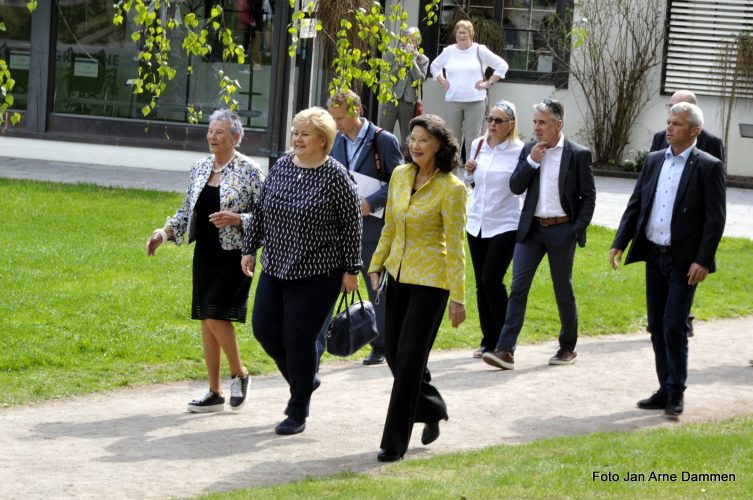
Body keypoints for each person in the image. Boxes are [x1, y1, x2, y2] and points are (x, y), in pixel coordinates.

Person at [241, 107, 362, 435]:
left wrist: (351, 270)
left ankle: (297, 411)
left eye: (305, 134)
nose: (297, 138)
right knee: (264, 329)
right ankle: (305, 380)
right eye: (295, 132)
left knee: (298, 339)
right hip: (277, 266)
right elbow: (261, 210)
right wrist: (249, 248)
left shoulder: (336, 176)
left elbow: (352, 226)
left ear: (323, 140)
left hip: (318, 272)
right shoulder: (281, 166)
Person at [610, 102, 726, 418]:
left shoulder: (707, 166)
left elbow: (715, 220)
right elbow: (637, 204)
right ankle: (664, 387)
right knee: (656, 326)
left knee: (674, 325)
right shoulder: (653, 161)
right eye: (669, 122)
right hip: (654, 255)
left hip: (685, 262)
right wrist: (619, 242)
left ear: (694, 130)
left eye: (676, 123)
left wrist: (703, 260)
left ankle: (677, 392)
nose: (669, 128)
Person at [146, 109, 264, 413]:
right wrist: (163, 234)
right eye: (210, 131)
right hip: (206, 254)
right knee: (207, 320)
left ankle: (240, 373)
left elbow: (268, 216)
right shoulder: (199, 167)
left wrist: (237, 218)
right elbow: (187, 211)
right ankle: (214, 391)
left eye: (220, 132)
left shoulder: (250, 171)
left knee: (215, 316)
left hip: (236, 255)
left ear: (235, 136)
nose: (213, 136)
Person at [368, 114, 467, 462]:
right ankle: (432, 406)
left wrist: (458, 296)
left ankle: (394, 442)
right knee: (395, 354)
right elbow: (390, 226)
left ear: (438, 145)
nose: (414, 145)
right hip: (398, 276)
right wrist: (376, 264)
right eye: (411, 138)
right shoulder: (399, 175)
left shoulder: (452, 188)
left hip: (432, 283)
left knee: (409, 361)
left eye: (422, 139)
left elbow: (455, 245)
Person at [482, 98, 595, 370]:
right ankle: (505, 350)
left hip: (562, 230)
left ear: (559, 124)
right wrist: (531, 161)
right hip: (531, 230)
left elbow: (588, 197)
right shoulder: (531, 150)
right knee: (518, 287)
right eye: (534, 122)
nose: (537, 127)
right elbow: (515, 186)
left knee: (562, 289)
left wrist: (574, 230)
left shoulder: (578, 154)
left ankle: (568, 346)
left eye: (542, 122)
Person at [325, 90, 403, 365]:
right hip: (340, 229)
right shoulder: (335, 140)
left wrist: (371, 202)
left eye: (340, 117)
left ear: (356, 110)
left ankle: (380, 344)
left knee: (375, 287)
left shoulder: (384, 140)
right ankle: (319, 340)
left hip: (373, 228)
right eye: (333, 118)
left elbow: (400, 182)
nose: (336, 124)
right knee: (328, 284)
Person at [649, 89, 725, 337]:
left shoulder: (711, 146)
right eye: (669, 111)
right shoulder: (661, 139)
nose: (671, 120)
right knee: (661, 323)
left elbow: (714, 202)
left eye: (678, 111)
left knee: (675, 318)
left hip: (689, 234)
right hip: (660, 238)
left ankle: (683, 318)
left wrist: (703, 256)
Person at [464, 100, 524, 358]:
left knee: (492, 279)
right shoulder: (478, 144)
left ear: (511, 124)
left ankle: (504, 339)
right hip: (477, 221)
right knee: (480, 284)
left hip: (505, 223)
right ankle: (488, 340)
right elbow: (472, 182)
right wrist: (468, 172)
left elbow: (522, 185)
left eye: (499, 121)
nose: (492, 125)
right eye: (490, 119)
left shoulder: (520, 150)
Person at [430, 20, 509, 164]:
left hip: (475, 101)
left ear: (471, 34)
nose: (461, 35)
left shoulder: (479, 50)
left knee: (473, 141)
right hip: (453, 100)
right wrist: (442, 80)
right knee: (453, 140)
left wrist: (488, 82)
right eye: (459, 32)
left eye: (464, 32)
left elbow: (502, 65)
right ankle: (453, 179)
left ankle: (470, 179)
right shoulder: (449, 51)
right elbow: (434, 66)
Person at [379, 27, 430, 149]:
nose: (409, 43)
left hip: (408, 100)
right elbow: (389, 76)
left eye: (413, 40)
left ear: (418, 42)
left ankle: (406, 163)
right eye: (406, 39)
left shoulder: (423, 59)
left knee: (407, 137)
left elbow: (419, 79)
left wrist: (411, 60)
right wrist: (400, 62)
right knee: (383, 133)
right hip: (392, 98)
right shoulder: (393, 54)